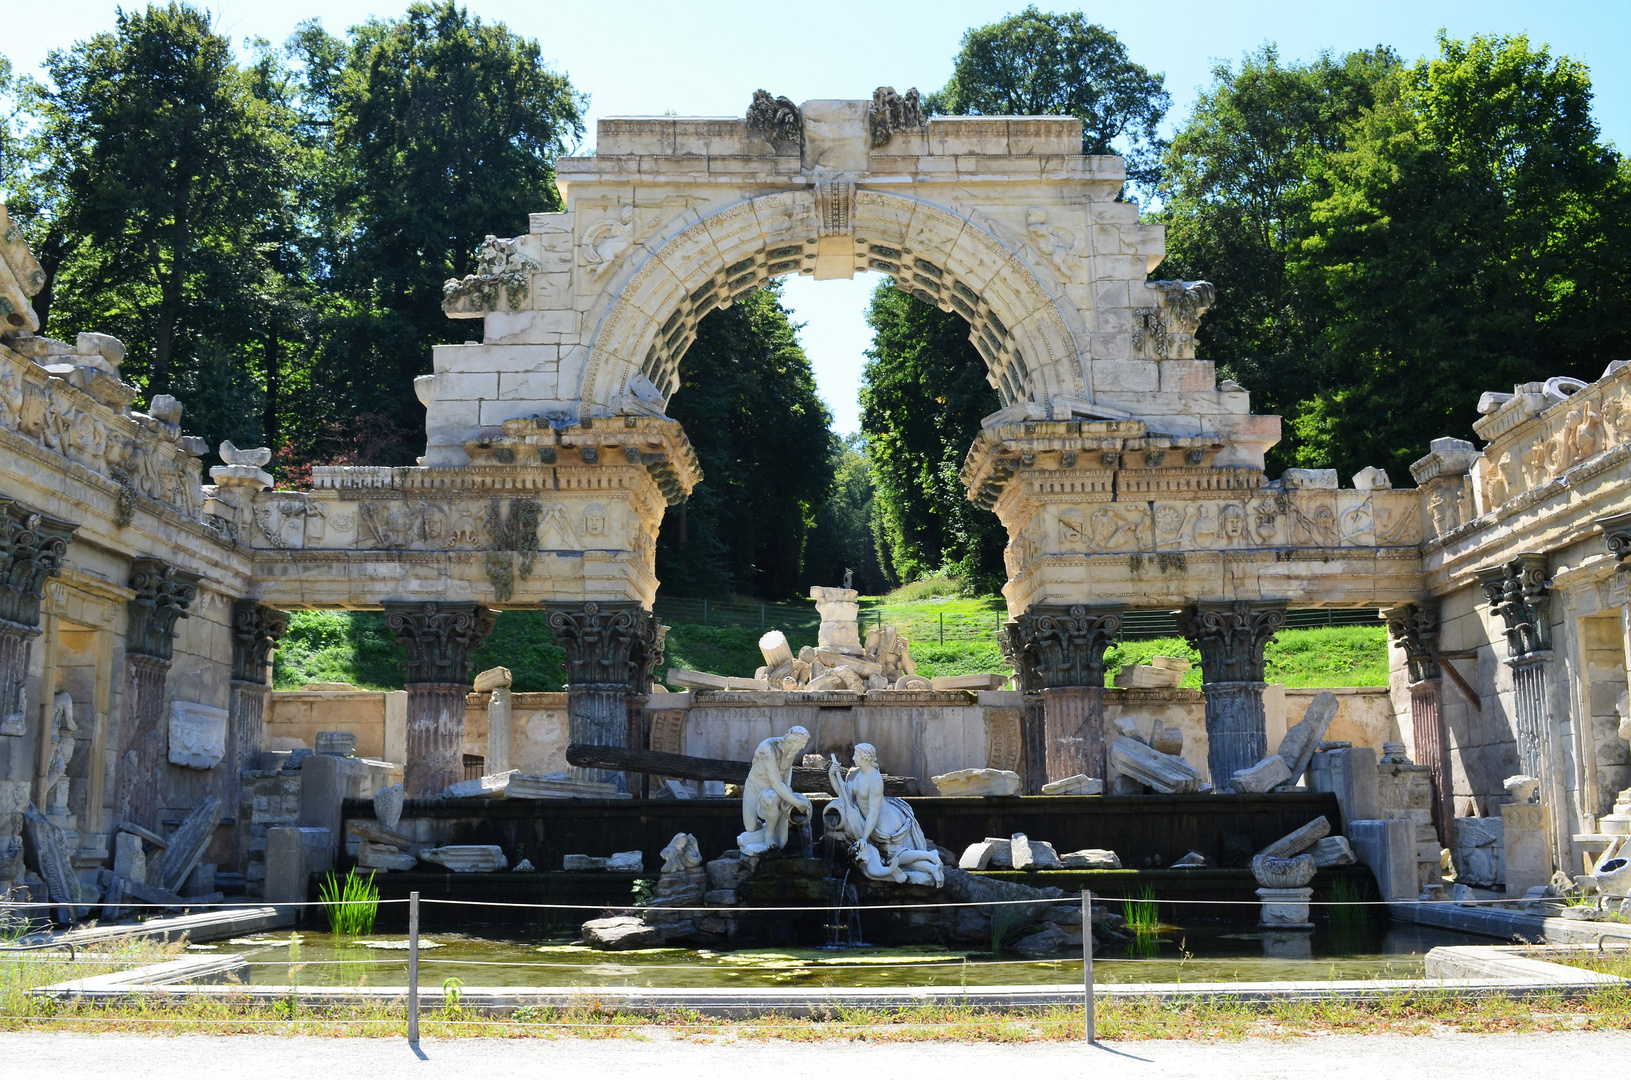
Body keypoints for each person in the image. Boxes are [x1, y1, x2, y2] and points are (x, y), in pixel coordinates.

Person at [737, 726, 811, 856]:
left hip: (773, 790)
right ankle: (769, 821)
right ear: (792, 741)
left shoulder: (791, 752)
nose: (802, 748)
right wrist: (797, 803)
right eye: (801, 744)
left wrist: (787, 799)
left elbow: (785, 776)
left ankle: (769, 834)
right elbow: (777, 783)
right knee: (750, 828)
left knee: (770, 799)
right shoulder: (768, 748)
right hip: (755, 787)